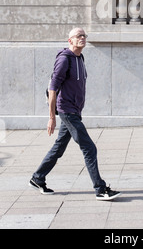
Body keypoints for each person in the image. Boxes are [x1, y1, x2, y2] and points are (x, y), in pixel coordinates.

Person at [29, 27, 120, 201]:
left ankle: (37, 178)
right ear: (70, 40)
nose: (83, 38)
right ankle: (100, 189)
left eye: (84, 35)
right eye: (79, 36)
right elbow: (53, 88)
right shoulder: (64, 60)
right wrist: (51, 117)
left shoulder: (80, 58)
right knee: (89, 148)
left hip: (75, 111)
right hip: (67, 111)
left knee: (58, 148)